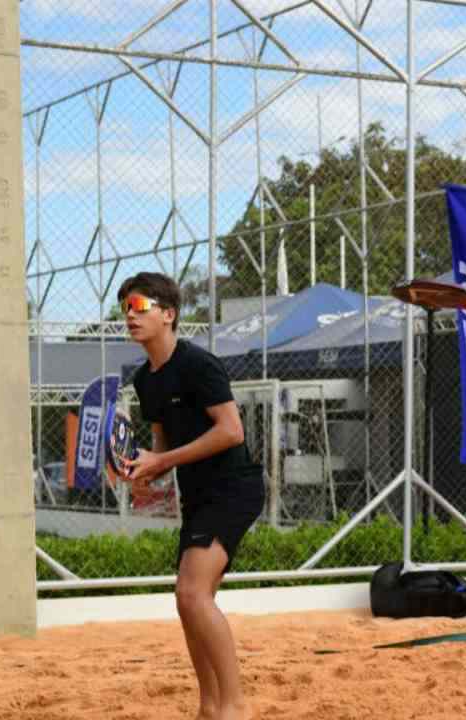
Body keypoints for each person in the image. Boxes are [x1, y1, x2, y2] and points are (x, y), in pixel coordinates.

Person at [119, 272, 265, 720]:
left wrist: (163, 462)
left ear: (169, 313)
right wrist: (147, 469)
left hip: (234, 487)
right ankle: (208, 706)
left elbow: (231, 431)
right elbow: (162, 445)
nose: (130, 315)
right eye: (125, 307)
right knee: (192, 604)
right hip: (198, 495)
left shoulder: (199, 365)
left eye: (139, 306)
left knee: (191, 595)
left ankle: (235, 707)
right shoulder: (146, 380)